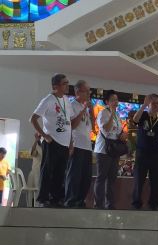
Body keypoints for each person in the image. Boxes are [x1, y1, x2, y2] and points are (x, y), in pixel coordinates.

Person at [30, 73, 74, 207]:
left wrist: (71, 142)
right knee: (48, 170)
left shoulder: (66, 99)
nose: (67, 86)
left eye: (67, 83)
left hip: (65, 143)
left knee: (60, 171)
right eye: (64, 83)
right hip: (52, 141)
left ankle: (57, 197)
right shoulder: (48, 100)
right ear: (56, 86)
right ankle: (43, 197)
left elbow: (69, 122)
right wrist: (44, 135)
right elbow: (33, 119)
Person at [131, 94, 158, 211]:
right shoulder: (143, 115)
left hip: (156, 155)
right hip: (142, 153)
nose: (156, 106)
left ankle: (154, 203)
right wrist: (143, 105)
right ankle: (136, 203)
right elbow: (135, 120)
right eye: (153, 103)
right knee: (139, 180)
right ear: (149, 104)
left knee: (156, 181)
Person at [94, 90, 127, 209]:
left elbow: (118, 132)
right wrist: (112, 113)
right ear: (107, 102)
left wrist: (123, 135)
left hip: (114, 151)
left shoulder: (118, 116)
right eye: (113, 100)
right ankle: (99, 204)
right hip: (103, 150)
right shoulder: (103, 113)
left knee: (112, 178)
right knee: (101, 177)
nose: (116, 102)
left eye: (117, 100)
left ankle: (110, 204)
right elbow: (106, 130)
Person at [65, 80, 93, 208]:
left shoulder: (84, 106)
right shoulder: (72, 105)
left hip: (87, 146)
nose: (89, 93)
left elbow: (89, 127)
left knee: (86, 177)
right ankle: (71, 201)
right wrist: (84, 109)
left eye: (89, 91)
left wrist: (89, 110)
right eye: (86, 91)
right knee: (74, 175)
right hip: (76, 145)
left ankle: (80, 201)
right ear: (77, 92)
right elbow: (73, 125)